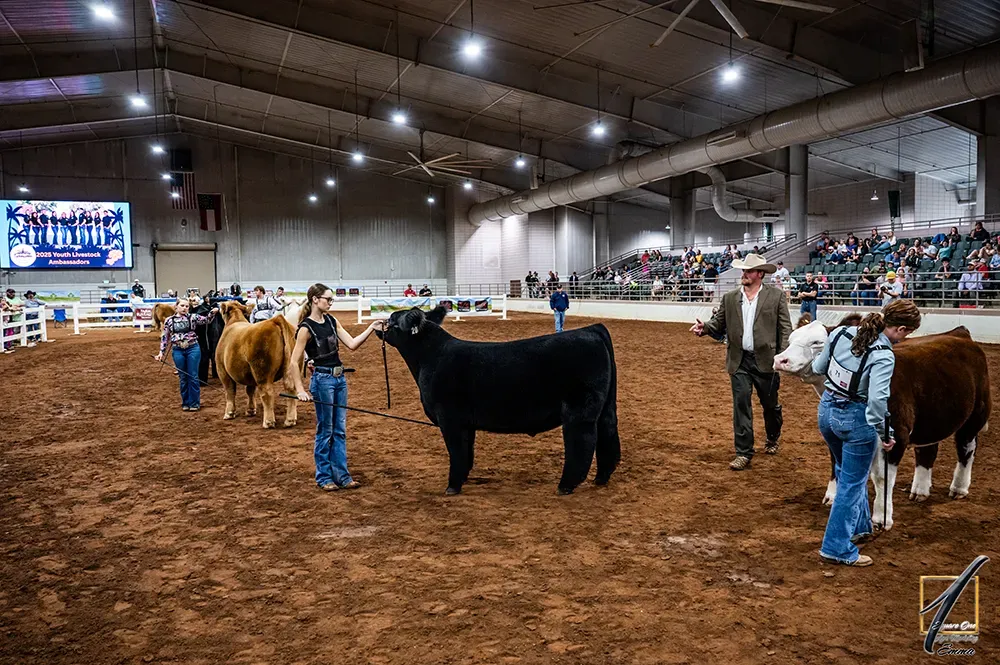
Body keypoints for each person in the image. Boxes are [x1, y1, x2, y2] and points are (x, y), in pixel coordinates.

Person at [812, 299, 921, 566]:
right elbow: (876, 404)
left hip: (827, 410)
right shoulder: (883, 355)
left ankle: (859, 527)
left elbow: (818, 368)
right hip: (856, 420)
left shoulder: (839, 333)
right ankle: (836, 547)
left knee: (845, 470)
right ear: (902, 329)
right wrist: (886, 434)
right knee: (852, 483)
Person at [690, 254, 792, 470]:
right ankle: (743, 452)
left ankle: (773, 436)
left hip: (767, 360)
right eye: (743, 271)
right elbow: (718, 324)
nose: (743, 274)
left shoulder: (776, 297)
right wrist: (705, 328)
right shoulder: (730, 298)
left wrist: (784, 355)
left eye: (748, 271)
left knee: (770, 405)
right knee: (741, 405)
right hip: (739, 360)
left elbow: (785, 328)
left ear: (760, 274)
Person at [291, 283, 384, 491]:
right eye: (328, 299)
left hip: (340, 379)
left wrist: (370, 328)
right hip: (322, 381)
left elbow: (351, 344)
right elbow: (293, 361)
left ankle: (342, 475)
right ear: (315, 299)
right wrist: (300, 389)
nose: (330, 303)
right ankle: (324, 477)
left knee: (339, 430)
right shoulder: (306, 328)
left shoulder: (332, 321)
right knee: (326, 430)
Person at [154, 298, 218, 412]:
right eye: (182, 306)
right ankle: (186, 402)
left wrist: (213, 312)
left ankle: (194, 403)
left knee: (193, 376)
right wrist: (161, 353)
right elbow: (165, 337)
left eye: (187, 306)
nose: (185, 308)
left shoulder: (193, 317)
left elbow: (207, 320)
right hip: (177, 349)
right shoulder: (169, 321)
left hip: (192, 348)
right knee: (183, 377)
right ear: (176, 307)